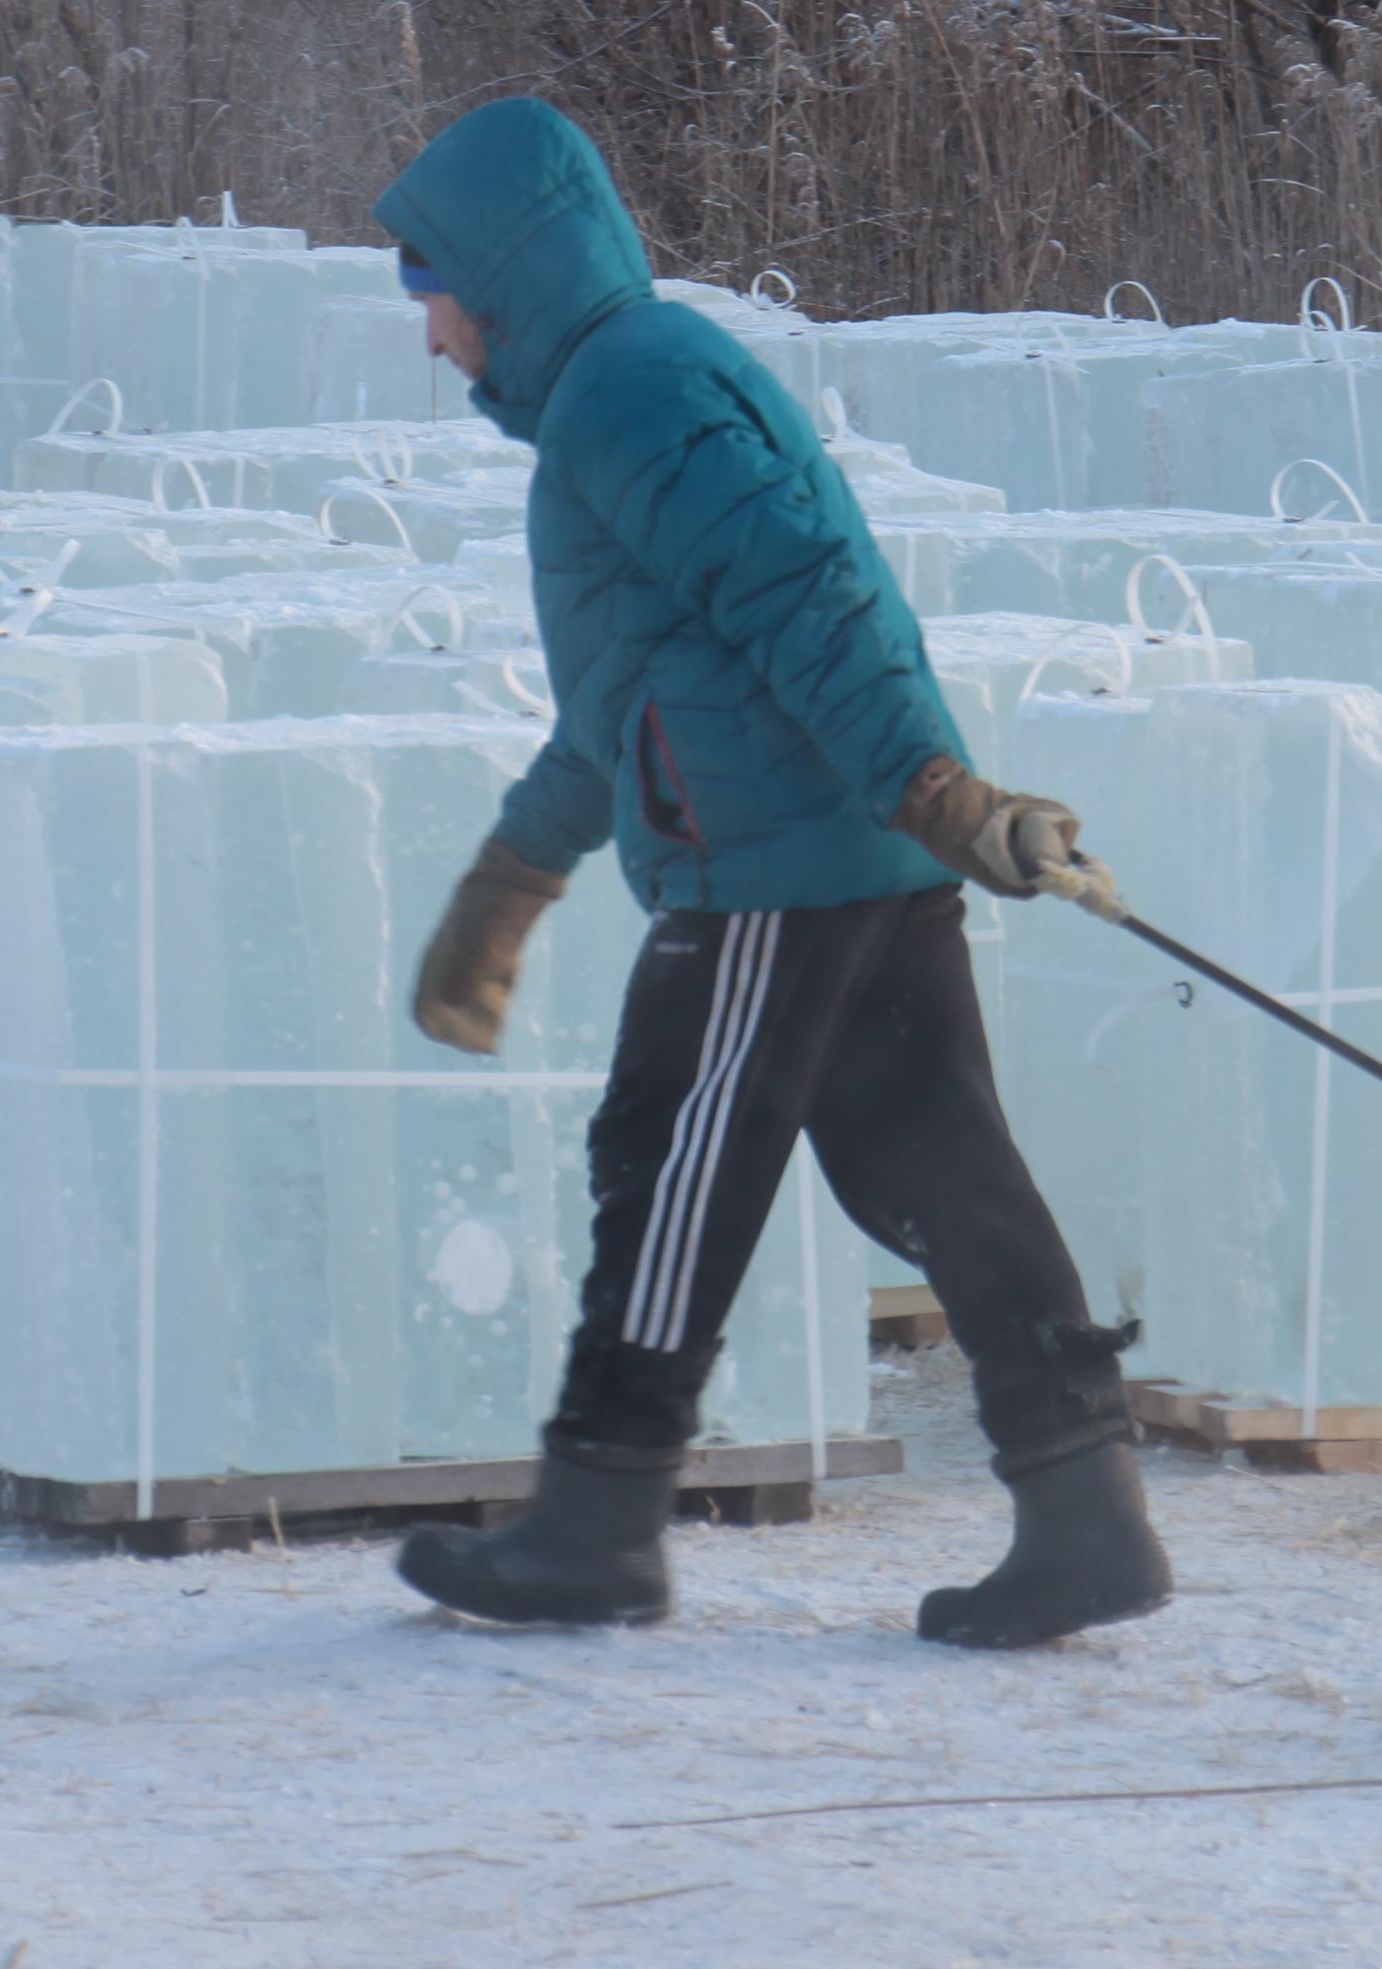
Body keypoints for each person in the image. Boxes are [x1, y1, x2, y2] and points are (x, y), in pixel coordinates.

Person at [368, 98, 1167, 1649]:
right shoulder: (623, 389)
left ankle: (597, 1522)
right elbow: (640, 693)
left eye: (425, 286)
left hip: (775, 871)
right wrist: (513, 881)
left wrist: (934, 787)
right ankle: (1086, 1514)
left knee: (667, 1167)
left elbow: (807, 593)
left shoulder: (627, 392)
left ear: (500, 273)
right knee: (938, 1169)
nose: (425, 332)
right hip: (841, 851)